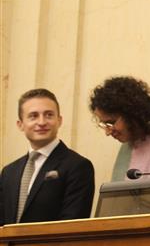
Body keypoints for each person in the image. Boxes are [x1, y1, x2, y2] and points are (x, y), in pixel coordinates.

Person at [0, 89, 94, 225]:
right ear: (20, 124)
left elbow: (72, 224)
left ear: (59, 120)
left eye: (49, 115)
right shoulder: (9, 172)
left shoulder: (78, 166)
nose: (42, 122)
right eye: (33, 116)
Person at [89, 76, 150, 181]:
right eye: (104, 125)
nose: (107, 132)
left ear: (131, 114)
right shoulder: (127, 146)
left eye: (111, 123)